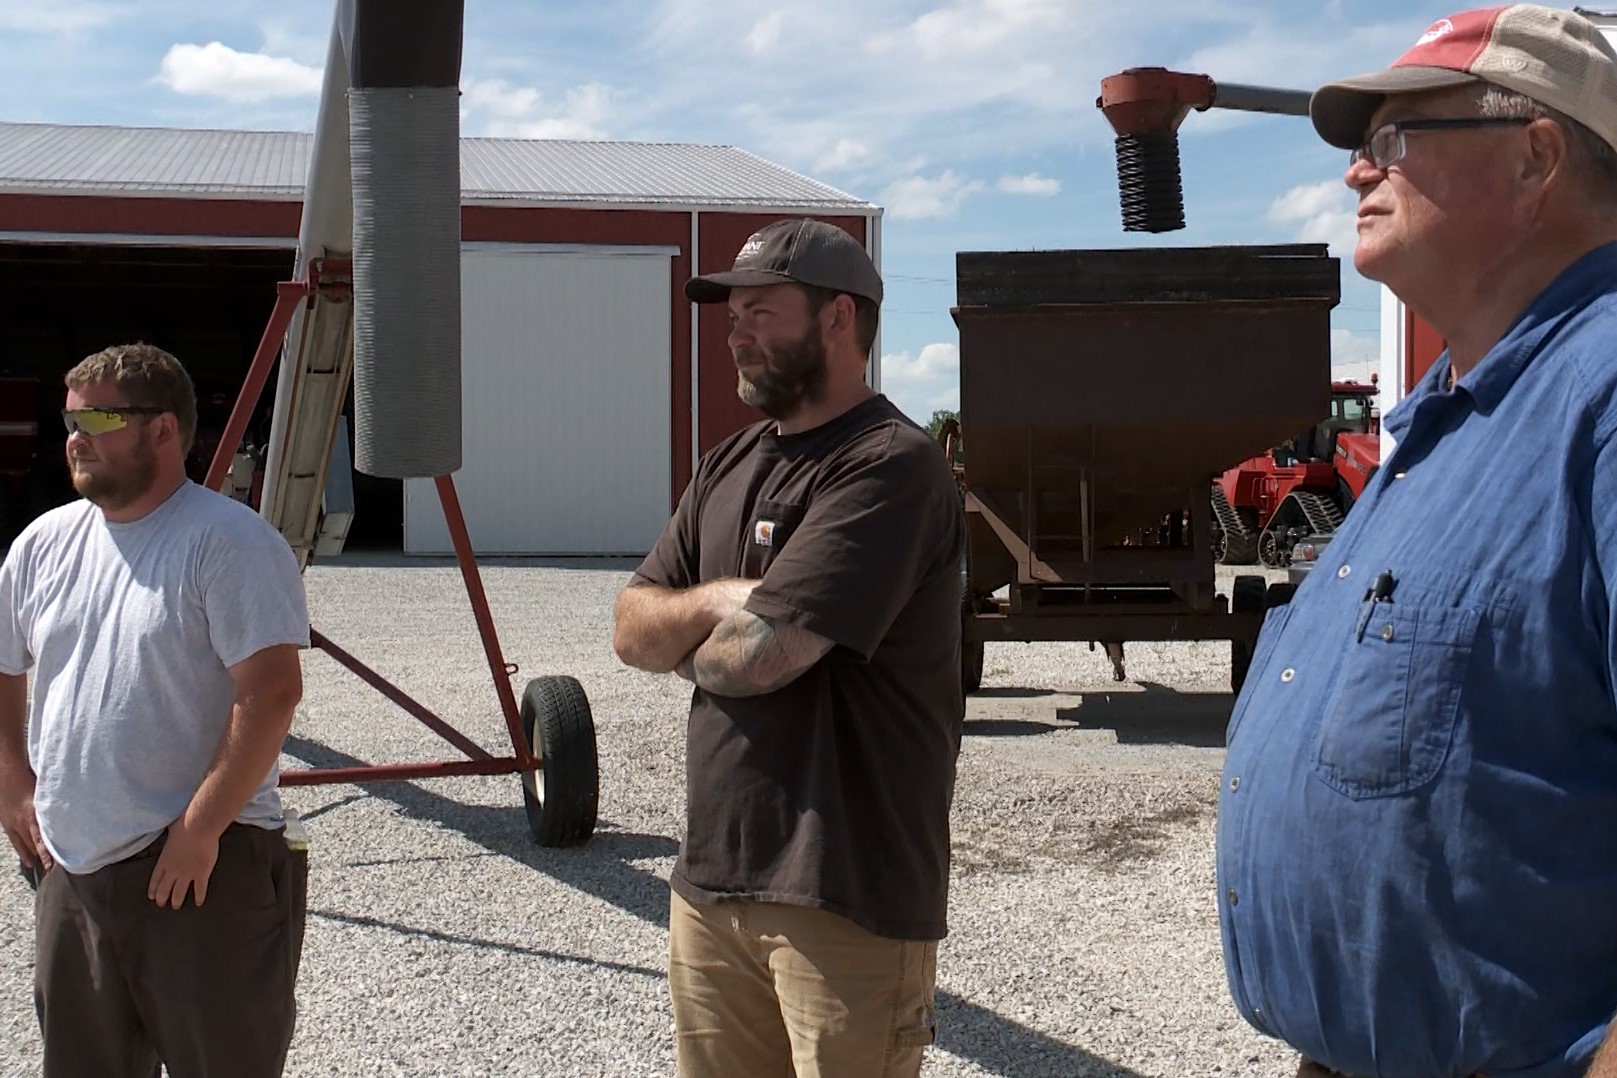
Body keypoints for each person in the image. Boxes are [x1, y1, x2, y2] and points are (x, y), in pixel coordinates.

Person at [1215, 6, 1617, 1077]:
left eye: (1393, 140)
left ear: (1538, 156)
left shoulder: (1605, 397)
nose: (1356, 174)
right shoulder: (1449, 416)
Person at [611, 218, 965, 1077]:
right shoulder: (726, 463)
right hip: (712, 880)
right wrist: (727, 600)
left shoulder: (890, 465)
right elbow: (629, 628)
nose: (734, 334)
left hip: (843, 892)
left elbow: (753, 662)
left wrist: (696, 635)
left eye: (760, 312)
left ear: (838, 319)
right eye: (732, 315)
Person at [0, 343, 311, 1077]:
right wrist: (14, 785)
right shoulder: (43, 545)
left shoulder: (229, 543)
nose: (74, 438)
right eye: (69, 421)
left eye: (98, 420)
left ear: (163, 430)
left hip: (201, 868)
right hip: (72, 870)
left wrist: (199, 828)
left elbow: (271, 692)